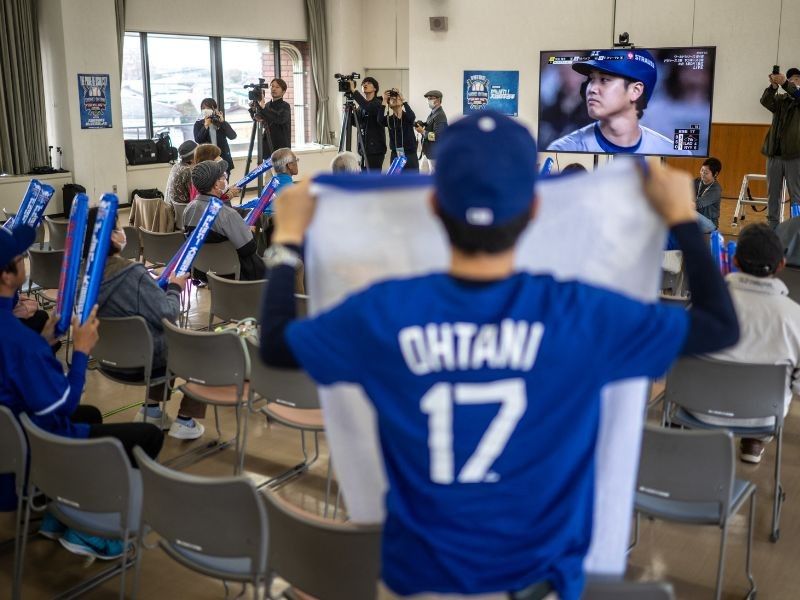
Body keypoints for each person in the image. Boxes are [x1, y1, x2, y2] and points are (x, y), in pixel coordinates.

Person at [258, 111, 738, 599]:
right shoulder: (580, 313)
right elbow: (719, 326)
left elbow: (275, 344)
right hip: (536, 582)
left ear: (432, 204)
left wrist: (287, 240)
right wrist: (680, 217)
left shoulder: (383, 311)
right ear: (534, 209)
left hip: (421, 579)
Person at [0, 225, 163, 559]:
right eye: (20, 257)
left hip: (10, 439)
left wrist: (45, 342)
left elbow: (16, 378)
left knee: (91, 415)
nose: (25, 262)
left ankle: (62, 510)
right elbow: (62, 403)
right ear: (6, 275)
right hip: (31, 455)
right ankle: (88, 529)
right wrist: (81, 353)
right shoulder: (16, 338)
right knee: (147, 435)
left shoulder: (18, 334)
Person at [84, 207, 206, 440]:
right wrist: (174, 287)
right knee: (196, 346)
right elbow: (168, 313)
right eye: (119, 228)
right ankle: (185, 419)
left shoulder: (82, 275)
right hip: (144, 363)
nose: (123, 232)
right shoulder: (132, 274)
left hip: (106, 359)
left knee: (157, 336)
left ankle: (151, 410)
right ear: (110, 236)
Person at [692, 223, 800, 464]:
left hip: (698, 406)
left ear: (736, 261)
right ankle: (753, 441)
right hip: (762, 416)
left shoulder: (705, 303)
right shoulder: (795, 317)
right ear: (781, 265)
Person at [547, 50, 675, 154]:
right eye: (591, 79)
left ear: (636, 91)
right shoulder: (564, 149)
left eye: (604, 80)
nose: (591, 89)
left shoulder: (671, 153)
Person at [184, 160, 266, 281]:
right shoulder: (227, 214)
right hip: (236, 273)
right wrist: (249, 231)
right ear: (216, 185)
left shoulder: (189, 209)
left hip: (202, 270)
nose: (225, 179)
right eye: (223, 176)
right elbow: (248, 249)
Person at [760, 67, 800, 229]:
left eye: (796, 78)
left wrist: (784, 83)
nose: (793, 81)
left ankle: (795, 231)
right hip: (774, 154)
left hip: (795, 154)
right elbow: (765, 101)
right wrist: (774, 87)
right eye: (790, 79)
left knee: (796, 196)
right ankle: (773, 230)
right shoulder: (781, 99)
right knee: (773, 195)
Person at [348, 77, 387, 171]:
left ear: (375, 89)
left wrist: (354, 91)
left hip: (375, 151)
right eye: (363, 83)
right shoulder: (361, 107)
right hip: (363, 149)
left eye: (369, 83)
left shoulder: (378, 103)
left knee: (374, 180)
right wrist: (348, 112)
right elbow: (355, 122)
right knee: (364, 180)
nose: (365, 84)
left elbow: (369, 108)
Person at [193, 98, 237, 177]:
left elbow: (233, 136)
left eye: (208, 108)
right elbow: (198, 140)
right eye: (203, 109)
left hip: (222, 157)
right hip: (207, 158)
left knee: (224, 183)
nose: (206, 110)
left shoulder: (219, 122)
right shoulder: (199, 124)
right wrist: (205, 125)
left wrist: (223, 122)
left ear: (214, 109)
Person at [378, 88, 419, 172]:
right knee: (396, 182)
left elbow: (412, 117)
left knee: (412, 182)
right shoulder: (389, 119)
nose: (395, 99)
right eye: (392, 98)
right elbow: (380, 120)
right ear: (389, 104)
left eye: (397, 97)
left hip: (410, 154)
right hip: (396, 155)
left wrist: (404, 100)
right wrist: (384, 100)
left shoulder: (407, 117)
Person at [255, 78, 292, 156]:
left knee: (281, 168)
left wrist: (263, 108)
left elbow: (280, 119)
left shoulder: (285, 106)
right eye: (272, 86)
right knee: (266, 168)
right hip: (267, 147)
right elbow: (259, 119)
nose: (274, 89)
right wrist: (253, 109)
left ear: (283, 92)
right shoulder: (267, 105)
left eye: (277, 87)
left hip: (281, 148)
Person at [416, 90, 448, 173]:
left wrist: (422, 131)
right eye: (428, 98)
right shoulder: (434, 113)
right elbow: (431, 126)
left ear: (437, 100)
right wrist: (423, 123)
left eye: (430, 98)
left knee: (434, 177)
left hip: (435, 153)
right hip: (429, 151)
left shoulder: (440, 115)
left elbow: (437, 136)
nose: (428, 101)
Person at [164, 139, 197, 207]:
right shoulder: (187, 171)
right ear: (191, 159)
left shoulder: (176, 166)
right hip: (181, 212)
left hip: (170, 210)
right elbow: (195, 197)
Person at [694, 157, 723, 233]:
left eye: (706, 173)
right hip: (697, 218)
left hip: (710, 224)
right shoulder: (697, 181)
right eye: (702, 170)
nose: (702, 174)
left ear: (715, 174)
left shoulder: (715, 189)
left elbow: (697, 204)